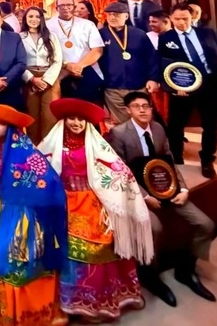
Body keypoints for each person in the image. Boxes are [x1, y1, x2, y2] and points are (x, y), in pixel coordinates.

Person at [38, 98, 153, 321]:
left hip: (90, 202)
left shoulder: (95, 145)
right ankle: (68, 302)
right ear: (64, 120)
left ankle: (96, 303)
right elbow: (38, 169)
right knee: (61, 244)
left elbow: (118, 169)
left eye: (81, 119)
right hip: (61, 203)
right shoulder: (51, 144)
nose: (76, 123)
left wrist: (121, 188)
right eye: (71, 118)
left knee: (100, 245)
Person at [0, 101, 67, 326]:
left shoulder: (25, 152)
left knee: (16, 252)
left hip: (19, 210)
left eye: (0, 123)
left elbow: (47, 181)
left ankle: (19, 314)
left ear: (11, 128)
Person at [108, 91, 216, 306]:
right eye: (136, 106)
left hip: (167, 188)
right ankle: (150, 274)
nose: (142, 110)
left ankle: (186, 270)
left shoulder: (158, 128)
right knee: (155, 228)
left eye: (146, 106)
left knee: (205, 224)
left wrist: (183, 189)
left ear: (151, 108)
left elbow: (169, 162)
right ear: (128, 110)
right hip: (136, 192)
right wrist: (145, 196)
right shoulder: (118, 134)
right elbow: (120, 171)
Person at [158, 3, 217, 178]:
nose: (182, 22)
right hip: (183, 87)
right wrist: (172, 87)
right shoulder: (165, 38)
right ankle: (176, 156)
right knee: (176, 124)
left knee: (211, 125)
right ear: (170, 18)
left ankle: (207, 159)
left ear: (192, 17)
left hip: (210, 84)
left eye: (185, 19)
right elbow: (163, 64)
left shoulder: (207, 33)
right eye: (177, 19)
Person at [99, 2, 160, 124]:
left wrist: (153, 78)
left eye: (116, 14)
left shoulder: (139, 34)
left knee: (142, 120)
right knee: (123, 123)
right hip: (112, 87)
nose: (112, 17)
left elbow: (152, 57)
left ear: (126, 16)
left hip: (139, 86)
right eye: (109, 14)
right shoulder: (101, 34)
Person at [46, 0, 105, 104]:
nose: (65, 7)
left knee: (90, 107)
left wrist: (79, 66)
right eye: (62, 5)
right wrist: (66, 65)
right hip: (59, 71)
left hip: (86, 68)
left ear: (74, 7)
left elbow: (97, 49)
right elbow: (45, 50)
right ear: (56, 8)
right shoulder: (47, 25)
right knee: (64, 108)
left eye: (69, 5)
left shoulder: (87, 24)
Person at [20, 6, 62, 144]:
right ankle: (34, 149)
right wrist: (31, 79)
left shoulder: (51, 36)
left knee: (50, 116)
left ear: (42, 19)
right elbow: (17, 62)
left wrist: (47, 81)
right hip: (29, 78)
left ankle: (48, 150)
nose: (34, 19)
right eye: (30, 16)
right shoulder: (19, 37)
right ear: (25, 19)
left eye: (37, 16)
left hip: (49, 77)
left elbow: (57, 60)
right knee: (31, 116)